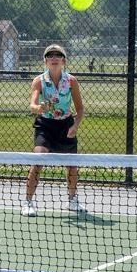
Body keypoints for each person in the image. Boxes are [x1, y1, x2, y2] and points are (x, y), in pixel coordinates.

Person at [22, 43, 86, 217]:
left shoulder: (72, 81)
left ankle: (72, 201)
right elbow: (32, 104)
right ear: (45, 61)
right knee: (38, 160)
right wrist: (39, 108)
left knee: (72, 166)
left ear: (64, 60)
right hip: (45, 126)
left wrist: (75, 126)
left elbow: (80, 109)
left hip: (66, 126)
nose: (54, 58)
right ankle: (28, 202)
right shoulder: (39, 81)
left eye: (58, 55)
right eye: (50, 56)